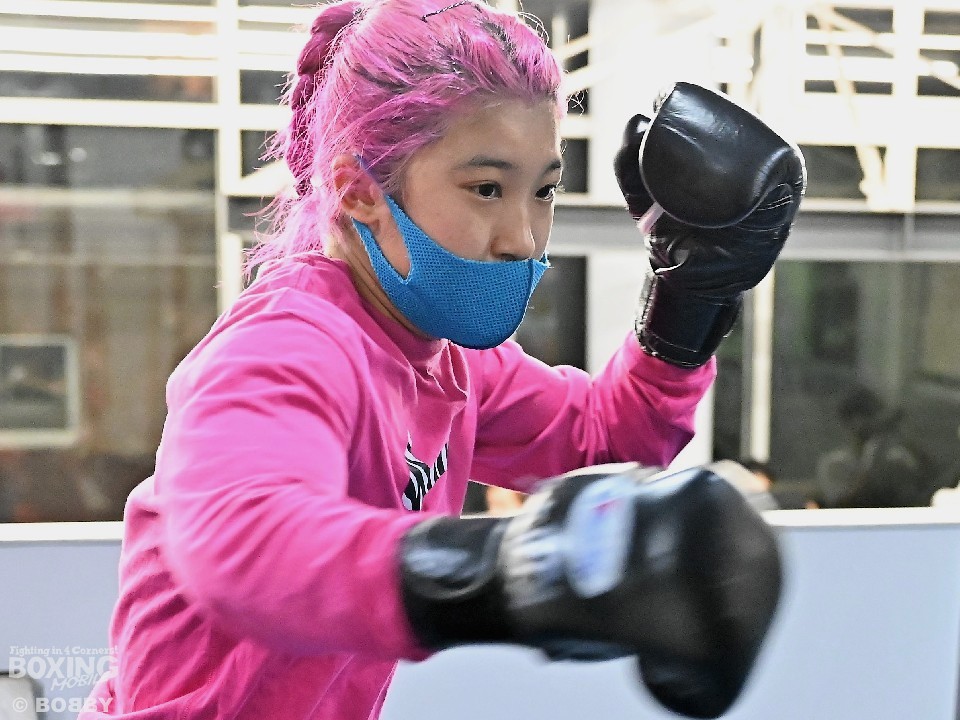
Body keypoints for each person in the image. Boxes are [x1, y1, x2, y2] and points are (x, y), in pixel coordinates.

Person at [80, 2, 805, 719]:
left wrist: (690, 297)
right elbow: (248, 547)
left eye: (544, 191)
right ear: (360, 189)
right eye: (487, 189)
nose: (524, 237)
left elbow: (604, 438)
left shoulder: (444, 360)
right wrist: (520, 567)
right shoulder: (285, 344)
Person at [816, 385, 931, 508]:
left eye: (871, 415)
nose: (869, 425)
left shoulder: (897, 460)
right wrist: (872, 461)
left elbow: (926, 489)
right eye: (859, 419)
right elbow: (843, 505)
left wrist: (903, 440)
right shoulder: (835, 465)